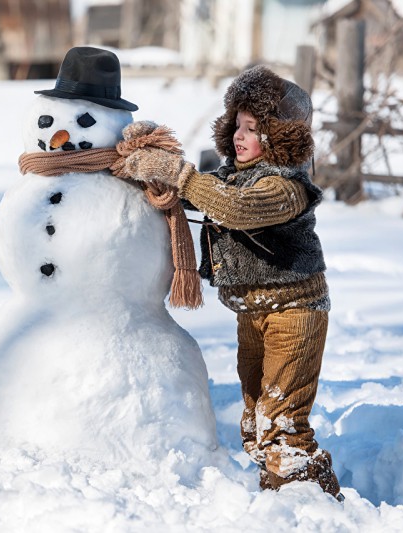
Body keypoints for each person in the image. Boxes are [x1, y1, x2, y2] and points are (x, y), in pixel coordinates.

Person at [115, 66, 342, 499]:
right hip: (251, 314)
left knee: (282, 426)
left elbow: (234, 208)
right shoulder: (232, 175)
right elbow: (202, 192)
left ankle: (317, 508)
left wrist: (180, 174)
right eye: (236, 125)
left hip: (294, 315)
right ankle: (281, 498)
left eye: (252, 128)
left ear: (278, 135)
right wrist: (149, 156)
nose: (239, 135)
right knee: (256, 427)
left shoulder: (285, 186)